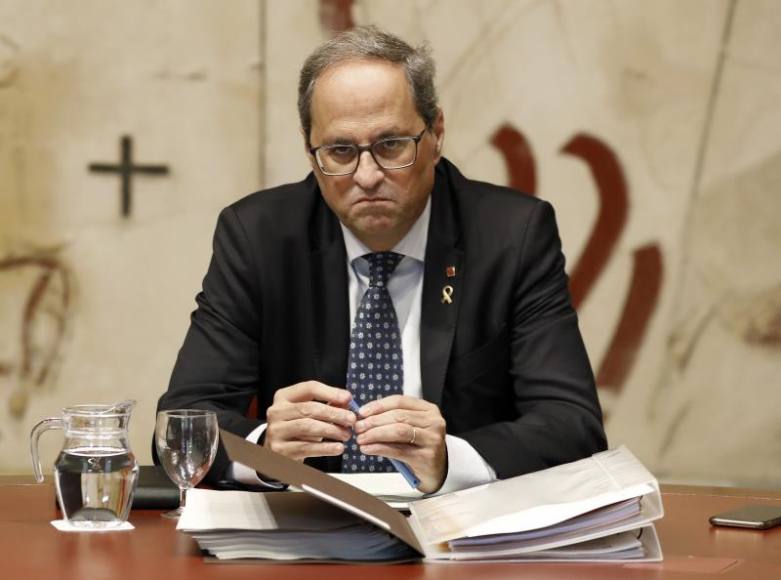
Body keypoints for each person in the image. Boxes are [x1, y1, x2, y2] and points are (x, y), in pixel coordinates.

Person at [156, 25, 606, 494]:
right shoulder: (260, 236)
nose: (366, 176)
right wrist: (266, 449)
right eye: (341, 151)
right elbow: (181, 424)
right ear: (311, 151)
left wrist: (449, 458)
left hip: (459, 533)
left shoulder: (511, 235)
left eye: (390, 145)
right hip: (308, 534)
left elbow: (572, 425)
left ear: (436, 134)